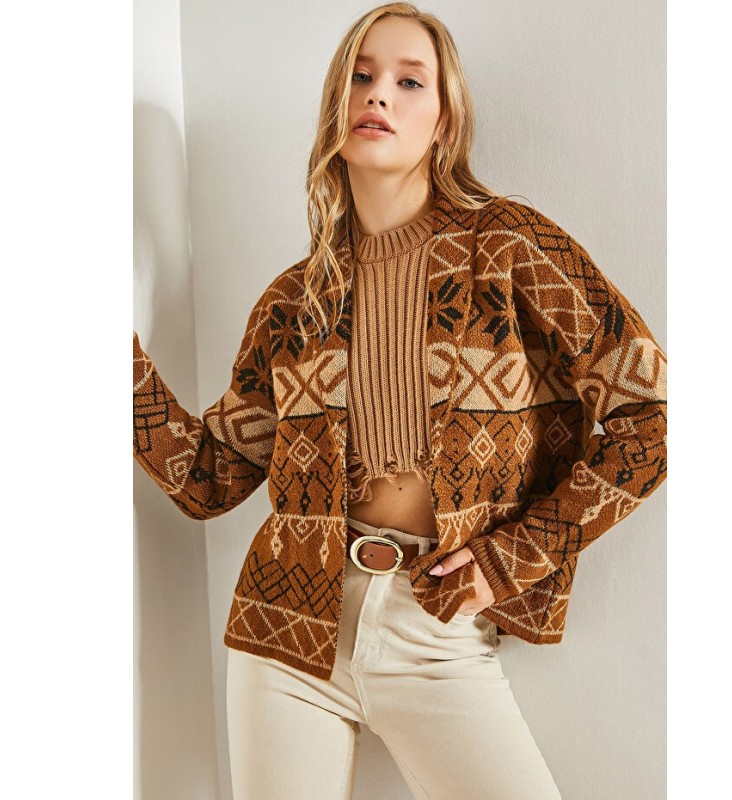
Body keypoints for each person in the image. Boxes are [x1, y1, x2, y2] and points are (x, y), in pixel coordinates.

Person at [133, 3, 667, 798]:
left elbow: (650, 419)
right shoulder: (294, 302)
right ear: (335, 104)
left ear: (445, 121)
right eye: (361, 75)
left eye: (409, 81)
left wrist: (511, 560)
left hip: (438, 627)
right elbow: (209, 478)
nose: (378, 93)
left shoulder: (510, 246)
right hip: (287, 632)